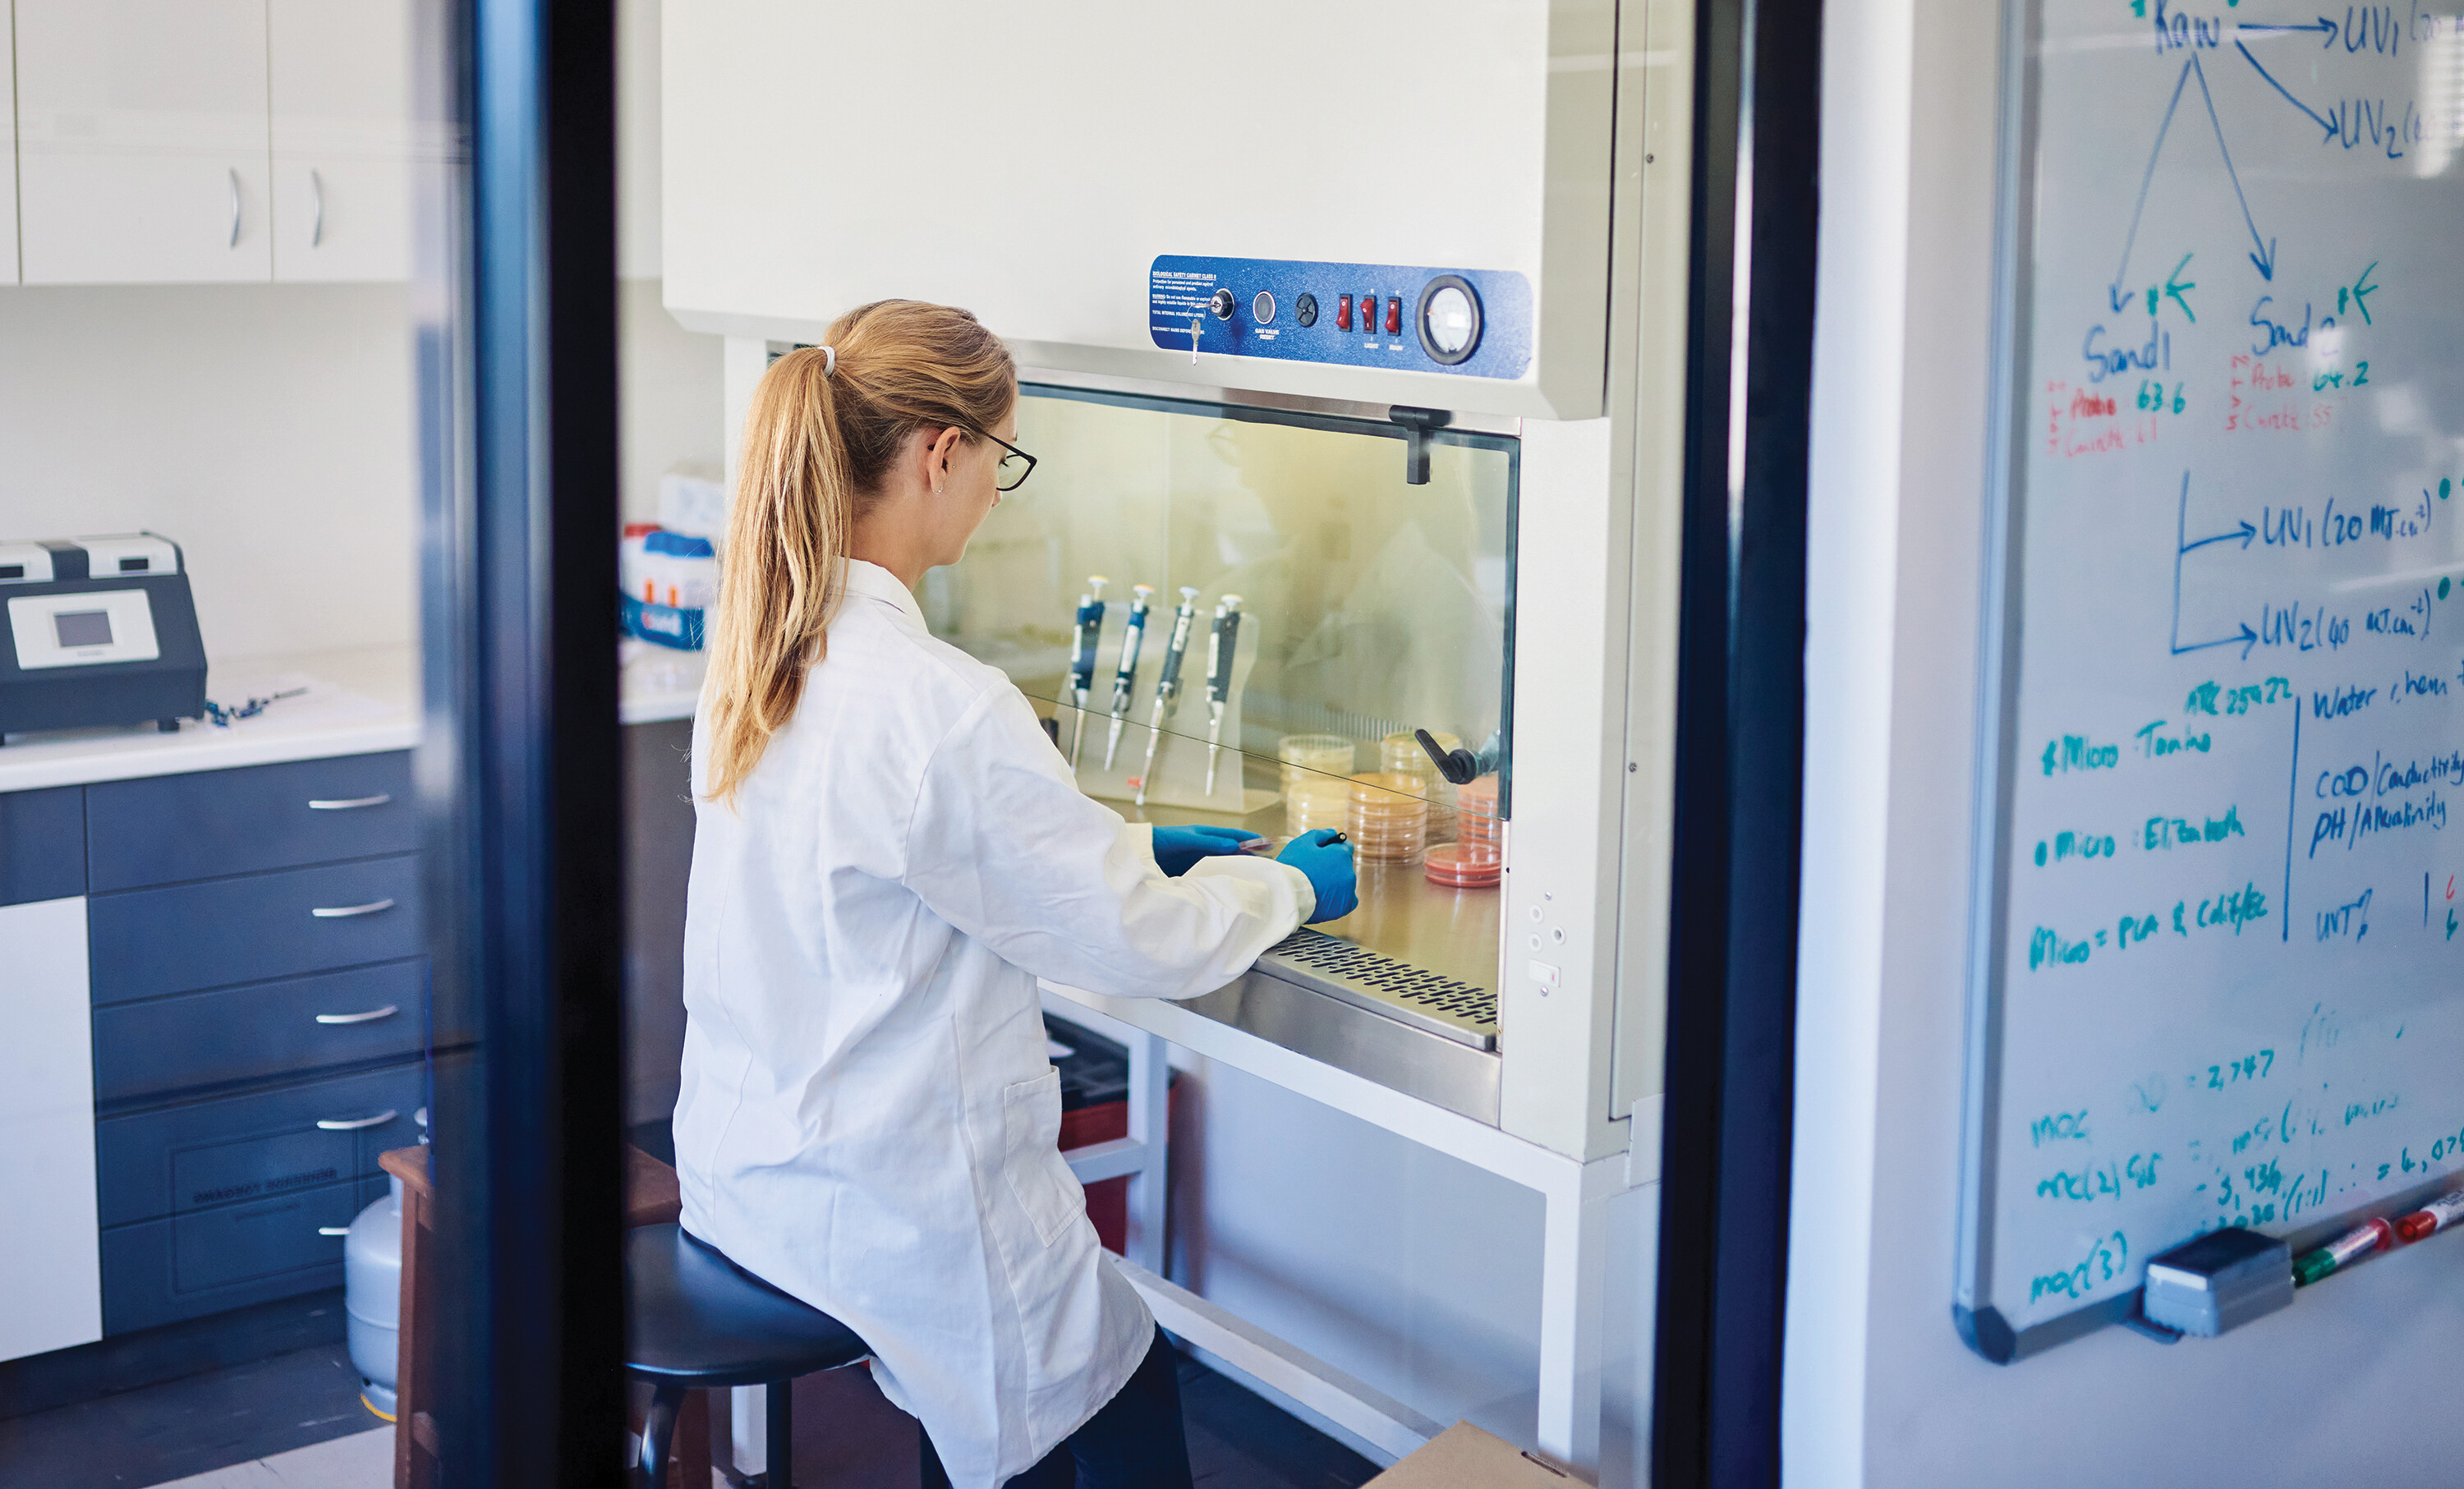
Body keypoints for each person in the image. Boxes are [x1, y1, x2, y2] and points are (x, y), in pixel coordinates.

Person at [671, 300, 1357, 1489]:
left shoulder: (764, 651)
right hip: (885, 1208)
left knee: (1048, 1368)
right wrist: (1281, 882)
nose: (999, 489)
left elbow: (926, 851)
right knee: (1118, 1372)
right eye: (1004, 459)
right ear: (943, 453)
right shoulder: (940, 702)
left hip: (750, 1177)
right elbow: (1145, 942)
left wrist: (1125, 835)